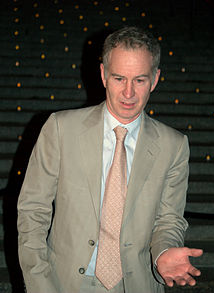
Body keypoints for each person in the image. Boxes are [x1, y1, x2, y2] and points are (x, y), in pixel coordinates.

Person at [17, 26, 203, 293]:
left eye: (139, 80)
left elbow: (169, 220)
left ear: (155, 79)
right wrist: (39, 283)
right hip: (63, 283)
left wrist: (163, 252)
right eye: (119, 78)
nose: (128, 93)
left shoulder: (173, 145)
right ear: (103, 74)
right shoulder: (60, 129)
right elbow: (33, 211)